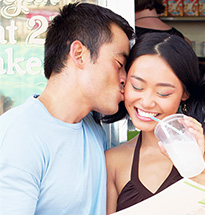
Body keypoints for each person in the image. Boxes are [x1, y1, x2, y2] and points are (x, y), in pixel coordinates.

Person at [0, 3, 134, 215]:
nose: (125, 78)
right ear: (79, 53)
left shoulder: (94, 130)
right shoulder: (20, 135)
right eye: (119, 64)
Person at [104, 33, 205, 215]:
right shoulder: (113, 160)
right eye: (137, 86)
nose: (147, 102)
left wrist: (197, 175)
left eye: (163, 93)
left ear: (185, 93)